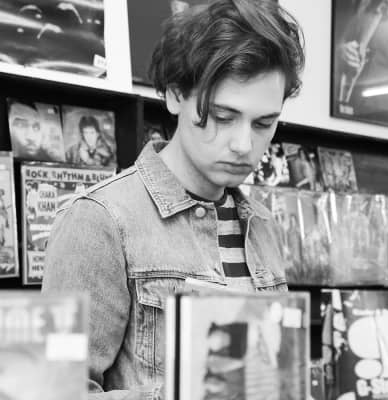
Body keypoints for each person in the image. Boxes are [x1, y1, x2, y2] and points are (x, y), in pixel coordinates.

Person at [42, 0, 305, 398]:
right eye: (222, 117)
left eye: (264, 123)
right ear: (176, 95)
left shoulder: (262, 223)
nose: (243, 144)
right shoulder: (97, 220)